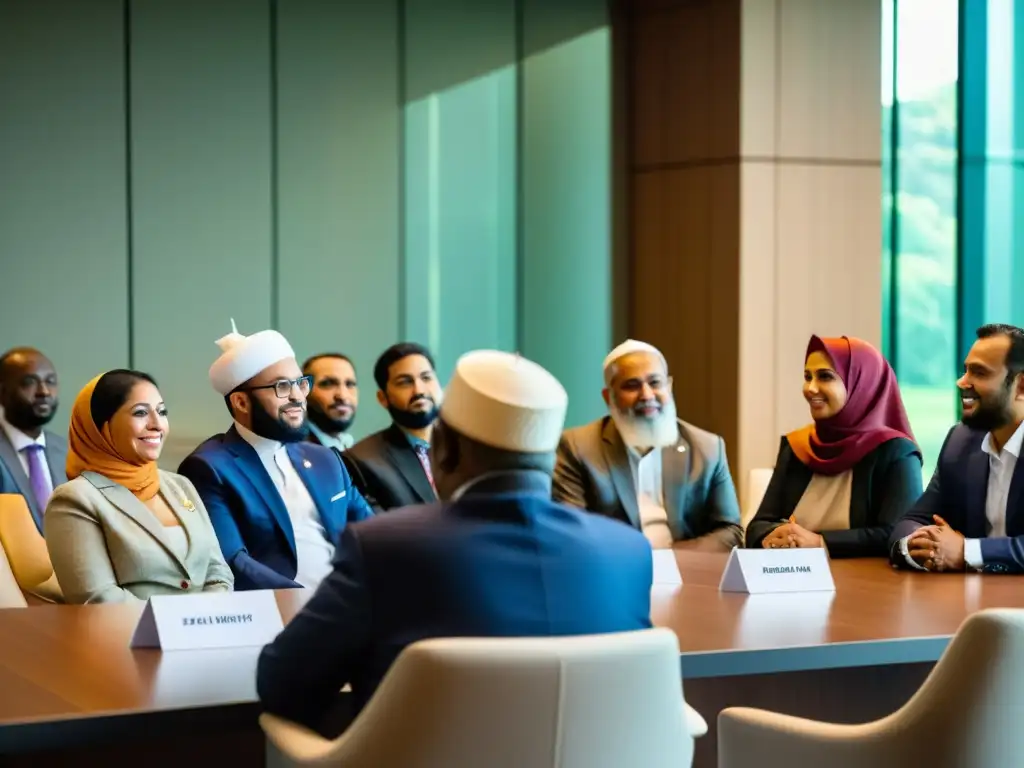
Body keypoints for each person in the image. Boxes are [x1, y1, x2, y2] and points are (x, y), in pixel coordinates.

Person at [256, 350, 654, 734]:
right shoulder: (629, 552)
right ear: (549, 455)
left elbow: (284, 684)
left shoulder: (384, 549)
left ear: (442, 449)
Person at [178, 322, 373, 591]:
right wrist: (314, 602)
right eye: (281, 386)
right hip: (278, 615)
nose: (297, 396)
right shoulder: (209, 467)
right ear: (241, 403)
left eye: (300, 383)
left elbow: (373, 530)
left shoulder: (325, 460)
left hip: (353, 604)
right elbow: (232, 561)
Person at [44, 370, 232, 604]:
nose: (156, 424)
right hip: (127, 638)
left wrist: (204, 622)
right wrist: (179, 625)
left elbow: (218, 572)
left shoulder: (180, 485)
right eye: (141, 413)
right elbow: (97, 598)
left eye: (162, 412)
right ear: (101, 426)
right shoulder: (75, 499)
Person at [553, 339, 742, 551]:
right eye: (631, 386)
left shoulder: (707, 448)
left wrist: (670, 561)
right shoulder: (577, 447)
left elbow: (730, 531)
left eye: (654, 383)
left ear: (668, 387)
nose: (646, 395)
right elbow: (570, 531)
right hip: (615, 571)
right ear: (609, 397)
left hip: (687, 571)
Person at [746, 335, 922, 557]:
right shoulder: (798, 445)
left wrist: (821, 542)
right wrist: (776, 534)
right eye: (807, 377)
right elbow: (757, 526)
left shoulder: (895, 452)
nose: (810, 388)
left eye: (825, 377)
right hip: (791, 578)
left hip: (867, 584)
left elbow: (899, 534)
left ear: (861, 383)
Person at [890, 324, 1024, 574]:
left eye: (980, 373)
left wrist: (966, 551)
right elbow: (913, 520)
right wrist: (922, 546)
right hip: (972, 600)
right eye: (966, 370)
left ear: (1021, 387)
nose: (962, 382)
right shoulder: (960, 440)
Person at [342, 343, 441, 511]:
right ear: (383, 398)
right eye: (405, 382)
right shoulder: (362, 461)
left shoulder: (470, 446)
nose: (419, 390)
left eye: (426, 378)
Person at [0, 347, 68, 531]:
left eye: (50, 382)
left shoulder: (68, 453)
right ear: (2, 392)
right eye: (29, 382)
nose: (44, 392)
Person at [303, 353, 358, 451]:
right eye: (328, 384)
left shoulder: (351, 446)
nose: (342, 396)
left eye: (350, 384)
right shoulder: (293, 450)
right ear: (303, 391)